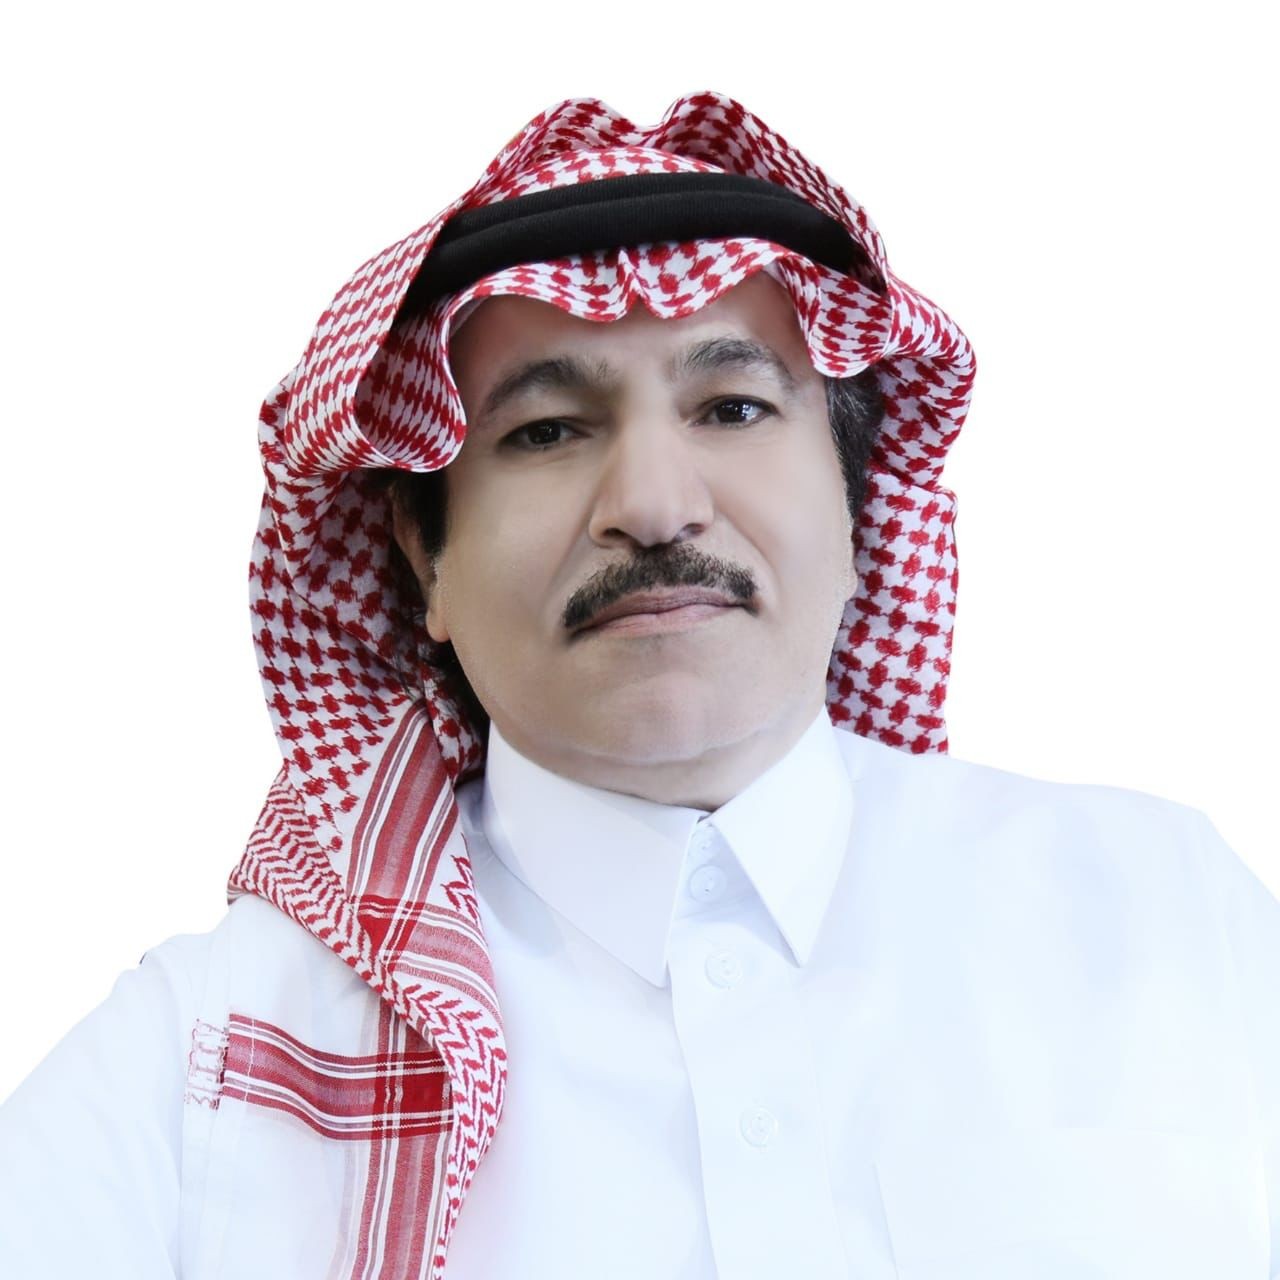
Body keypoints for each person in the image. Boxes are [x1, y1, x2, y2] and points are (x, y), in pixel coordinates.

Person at [1, 89, 1277, 1280]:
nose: (656, 505)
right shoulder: (195, 1066)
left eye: (731, 408)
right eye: (546, 431)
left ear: (854, 508)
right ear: (422, 558)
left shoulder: (1170, 915)